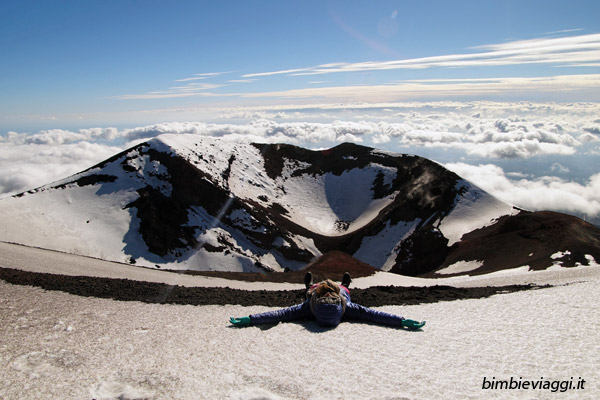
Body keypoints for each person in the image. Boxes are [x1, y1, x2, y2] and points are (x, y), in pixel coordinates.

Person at [229, 272, 425, 330]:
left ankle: (309, 286)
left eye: (326, 297)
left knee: (309, 291)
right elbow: (375, 315)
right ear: (340, 307)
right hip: (343, 292)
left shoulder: (308, 307)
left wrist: (251, 319)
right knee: (344, 289)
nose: (329, 295)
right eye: (332, 297)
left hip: (313, 293)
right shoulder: (348, 306)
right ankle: (346, 283)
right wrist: (401, 321)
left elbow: (281, 313)